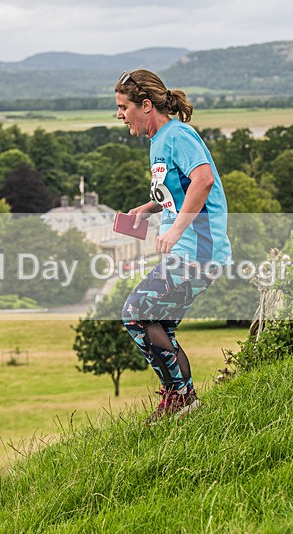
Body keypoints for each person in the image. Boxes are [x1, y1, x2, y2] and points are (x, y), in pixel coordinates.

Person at [115, 69, 232, 424]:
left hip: (199, 252)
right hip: (188, 250)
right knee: (155, 325)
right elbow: (179, 189)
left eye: (123, 107)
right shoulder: (158, 141)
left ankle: (182, 396)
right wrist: (149, 208)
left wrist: (176, 230)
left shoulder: (178, 134)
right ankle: (180, 399)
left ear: (146, 105)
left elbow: (204, 179)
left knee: (136, 312)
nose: (119, 115)